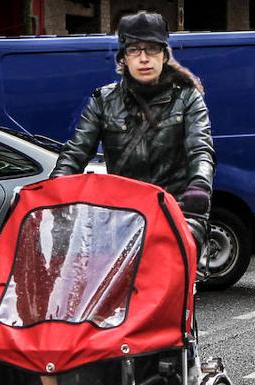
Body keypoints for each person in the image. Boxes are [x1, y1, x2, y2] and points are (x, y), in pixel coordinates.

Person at [52, 11, 215, 251]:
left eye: (152, 49)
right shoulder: (103, 101)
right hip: (124, 216)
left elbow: (200, 149)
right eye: (134, 50)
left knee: (172, 277)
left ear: (164, 54)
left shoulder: (188, 98)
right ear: (123, 58)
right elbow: (76, 151)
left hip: (177, 212)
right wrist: (55, 189)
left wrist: (199, 186)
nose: (144, 58)